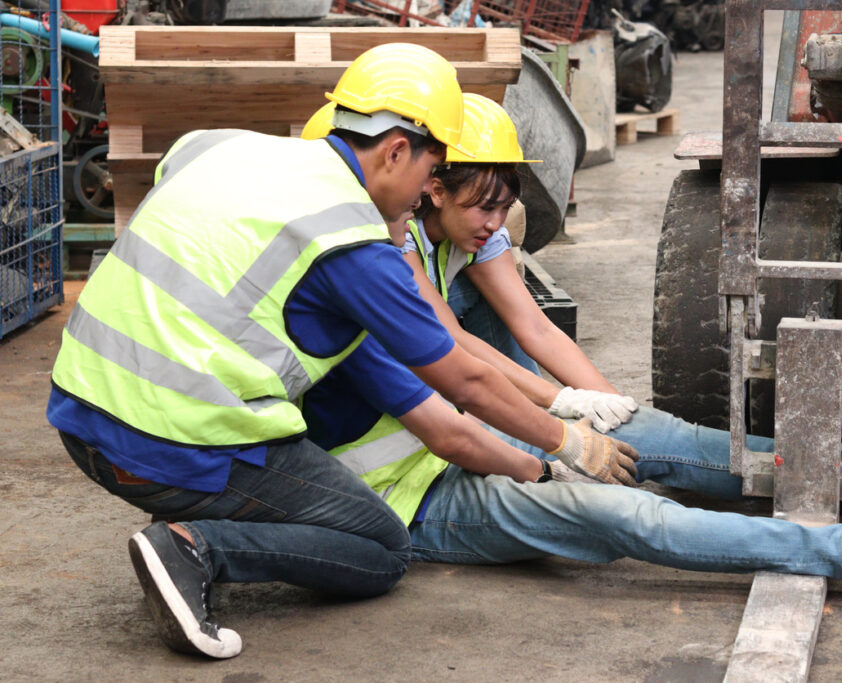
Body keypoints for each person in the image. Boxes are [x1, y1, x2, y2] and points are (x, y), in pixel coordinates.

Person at [46, 43, 637, 660]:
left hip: (79, 407)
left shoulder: (224, 145)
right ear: (397, 150)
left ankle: (191, 518)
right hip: (165, 443)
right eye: (431, 173)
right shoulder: (351, 243)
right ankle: (195, 546)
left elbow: (175, 180)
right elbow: (465, 384)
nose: (427, 192)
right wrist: (566, 444)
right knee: (382, 547)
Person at [298, 94, 842, 611]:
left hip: (467, 431)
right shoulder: (374, 261)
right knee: (633, 516)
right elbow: (460, 373)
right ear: (421, 178)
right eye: (479, 203)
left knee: (661, 440)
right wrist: (550, 454)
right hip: (419, 490)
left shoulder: (425, 230)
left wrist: (602, 413)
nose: (494, 222)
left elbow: (527, 332)